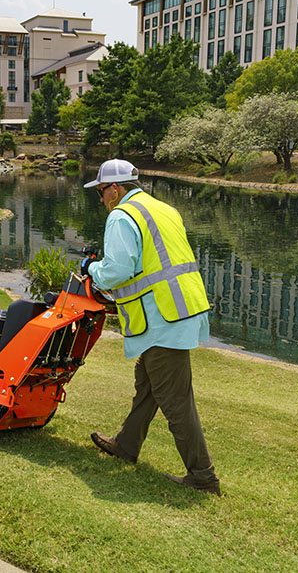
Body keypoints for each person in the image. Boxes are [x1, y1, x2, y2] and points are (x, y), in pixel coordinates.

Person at [81, 158, 220, 496]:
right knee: (148, 382)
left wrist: (91, 268)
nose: (100, 199)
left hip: (163, 317)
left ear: (115, 189)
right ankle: (126, 445)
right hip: (181, 308)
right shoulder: (162, 209)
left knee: (175, 400)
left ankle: (202, 476)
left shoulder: (121, 216)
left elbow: (117, 270)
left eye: (101, 192)